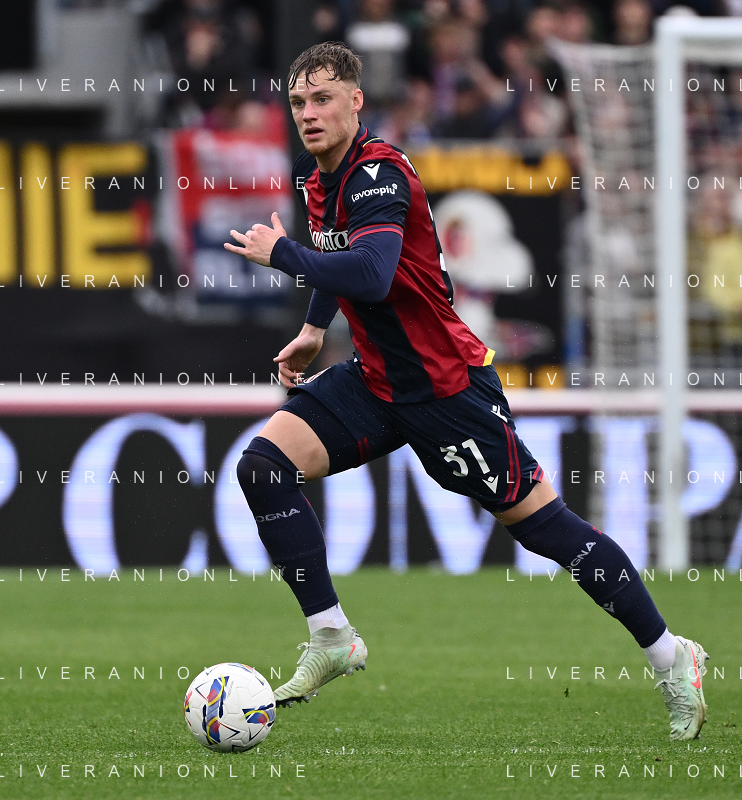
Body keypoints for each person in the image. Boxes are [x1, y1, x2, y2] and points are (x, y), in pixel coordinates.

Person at [223, 41, 710, 741]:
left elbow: (372, 273)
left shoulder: (378, 173)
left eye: (323, 98)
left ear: (356, 101)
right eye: (298, 102)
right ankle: (331, 636)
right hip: (377, 379)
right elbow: (336, 260)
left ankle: (671, 657)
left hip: (445, 388)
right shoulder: (317, 177)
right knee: (263, 466)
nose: (308, 113)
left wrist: (283, 257)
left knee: (546, 530)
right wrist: (312, 328)